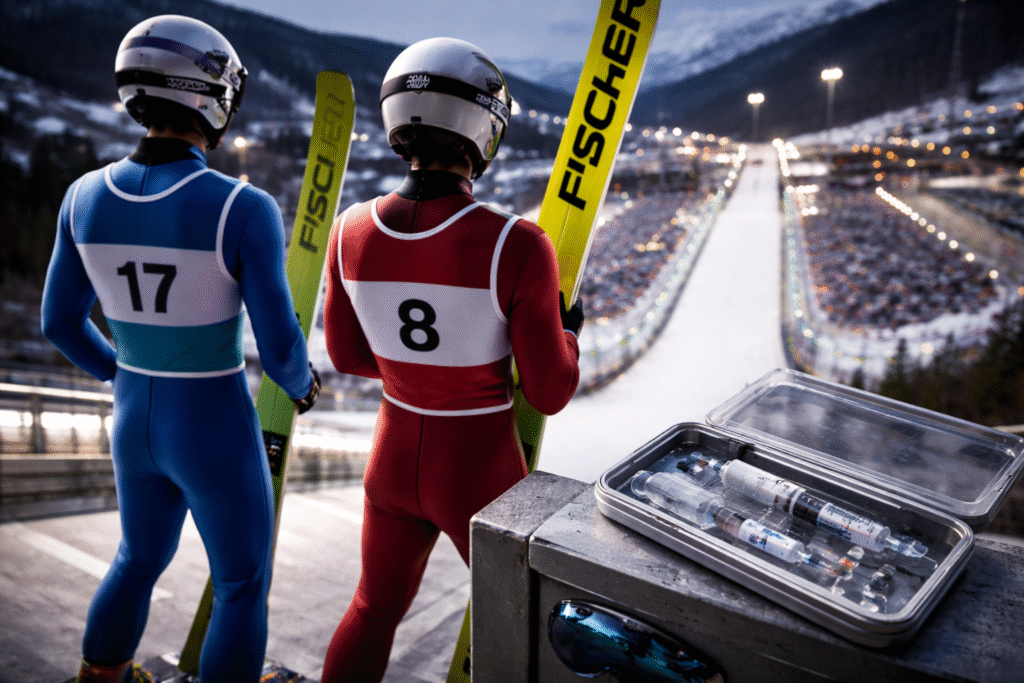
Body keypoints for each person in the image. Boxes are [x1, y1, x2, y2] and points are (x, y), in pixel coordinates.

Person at [40, 15, 320, 683]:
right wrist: (304, 383)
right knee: (241, 583)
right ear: (211, 100)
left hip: (133, 417)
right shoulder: (241, 207)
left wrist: (122, 374)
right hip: (213, 421)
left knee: (136, 558)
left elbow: (59, 322)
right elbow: (279, 349)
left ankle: (101, 677)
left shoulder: (83, 196)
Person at [319, 37, 583, 682]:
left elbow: (345, 354)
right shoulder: (515, 243)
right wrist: (569, 335)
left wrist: (419, 376)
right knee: (528, 623)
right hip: (478, 469)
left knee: (372, 609)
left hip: (391, 459)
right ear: (483, 130)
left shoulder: (351, 228)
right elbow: (549, 391)